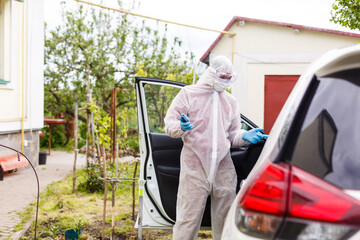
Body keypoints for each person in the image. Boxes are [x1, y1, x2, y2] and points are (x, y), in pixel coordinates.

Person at [164, 55, 268, 240]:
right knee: (188, 218)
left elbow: (232, 134)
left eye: (229, 78)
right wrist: (181, 127)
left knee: (226, 217)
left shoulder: (230, 102)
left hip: (223, 166)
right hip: (195, 166)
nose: (226, 81)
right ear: (212, 73)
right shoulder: (189, 94)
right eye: (223, 77)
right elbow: (169, 123)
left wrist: (244, 135)